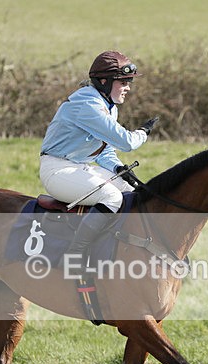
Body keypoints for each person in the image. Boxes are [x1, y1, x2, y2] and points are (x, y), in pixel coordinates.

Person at [39, 50, 159, 269]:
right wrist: (143, 132)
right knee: (112, 197)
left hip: (78, 168)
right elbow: (128, 143)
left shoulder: (106, 106)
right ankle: (74, 255)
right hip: (56, 171)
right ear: (104, 81)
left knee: (130, 191)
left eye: (129, 82)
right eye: (123, 82)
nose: (128, 88)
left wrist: (118, 168)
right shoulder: (88, 106)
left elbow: (103, 152)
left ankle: (122, 248)